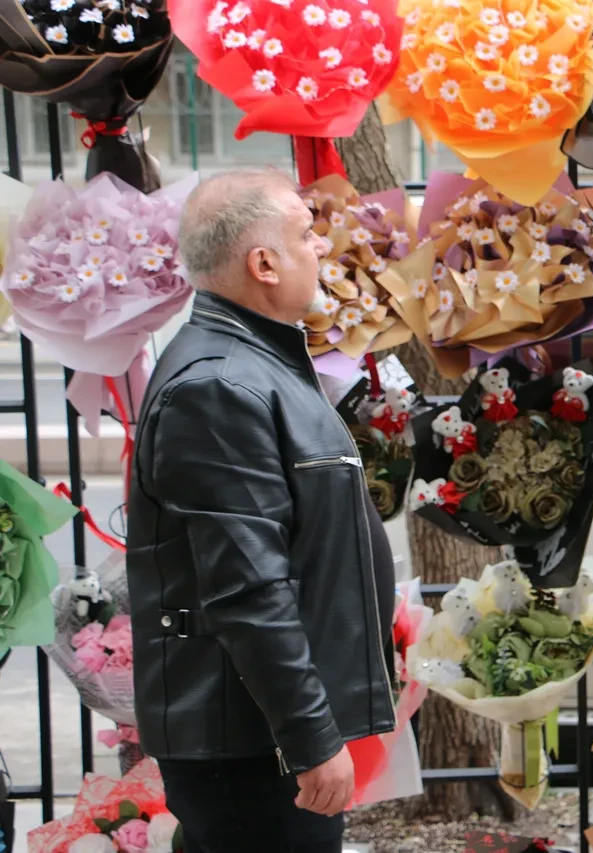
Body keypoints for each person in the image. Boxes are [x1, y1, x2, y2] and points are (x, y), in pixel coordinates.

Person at [127, 169, 398, 852]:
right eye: (307, 234)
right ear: (264, 263)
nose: (322, 248)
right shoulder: (218, 384)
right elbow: (247, 587)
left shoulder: (257, 365)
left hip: (260, 737)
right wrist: (310, 738)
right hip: (250, 746)